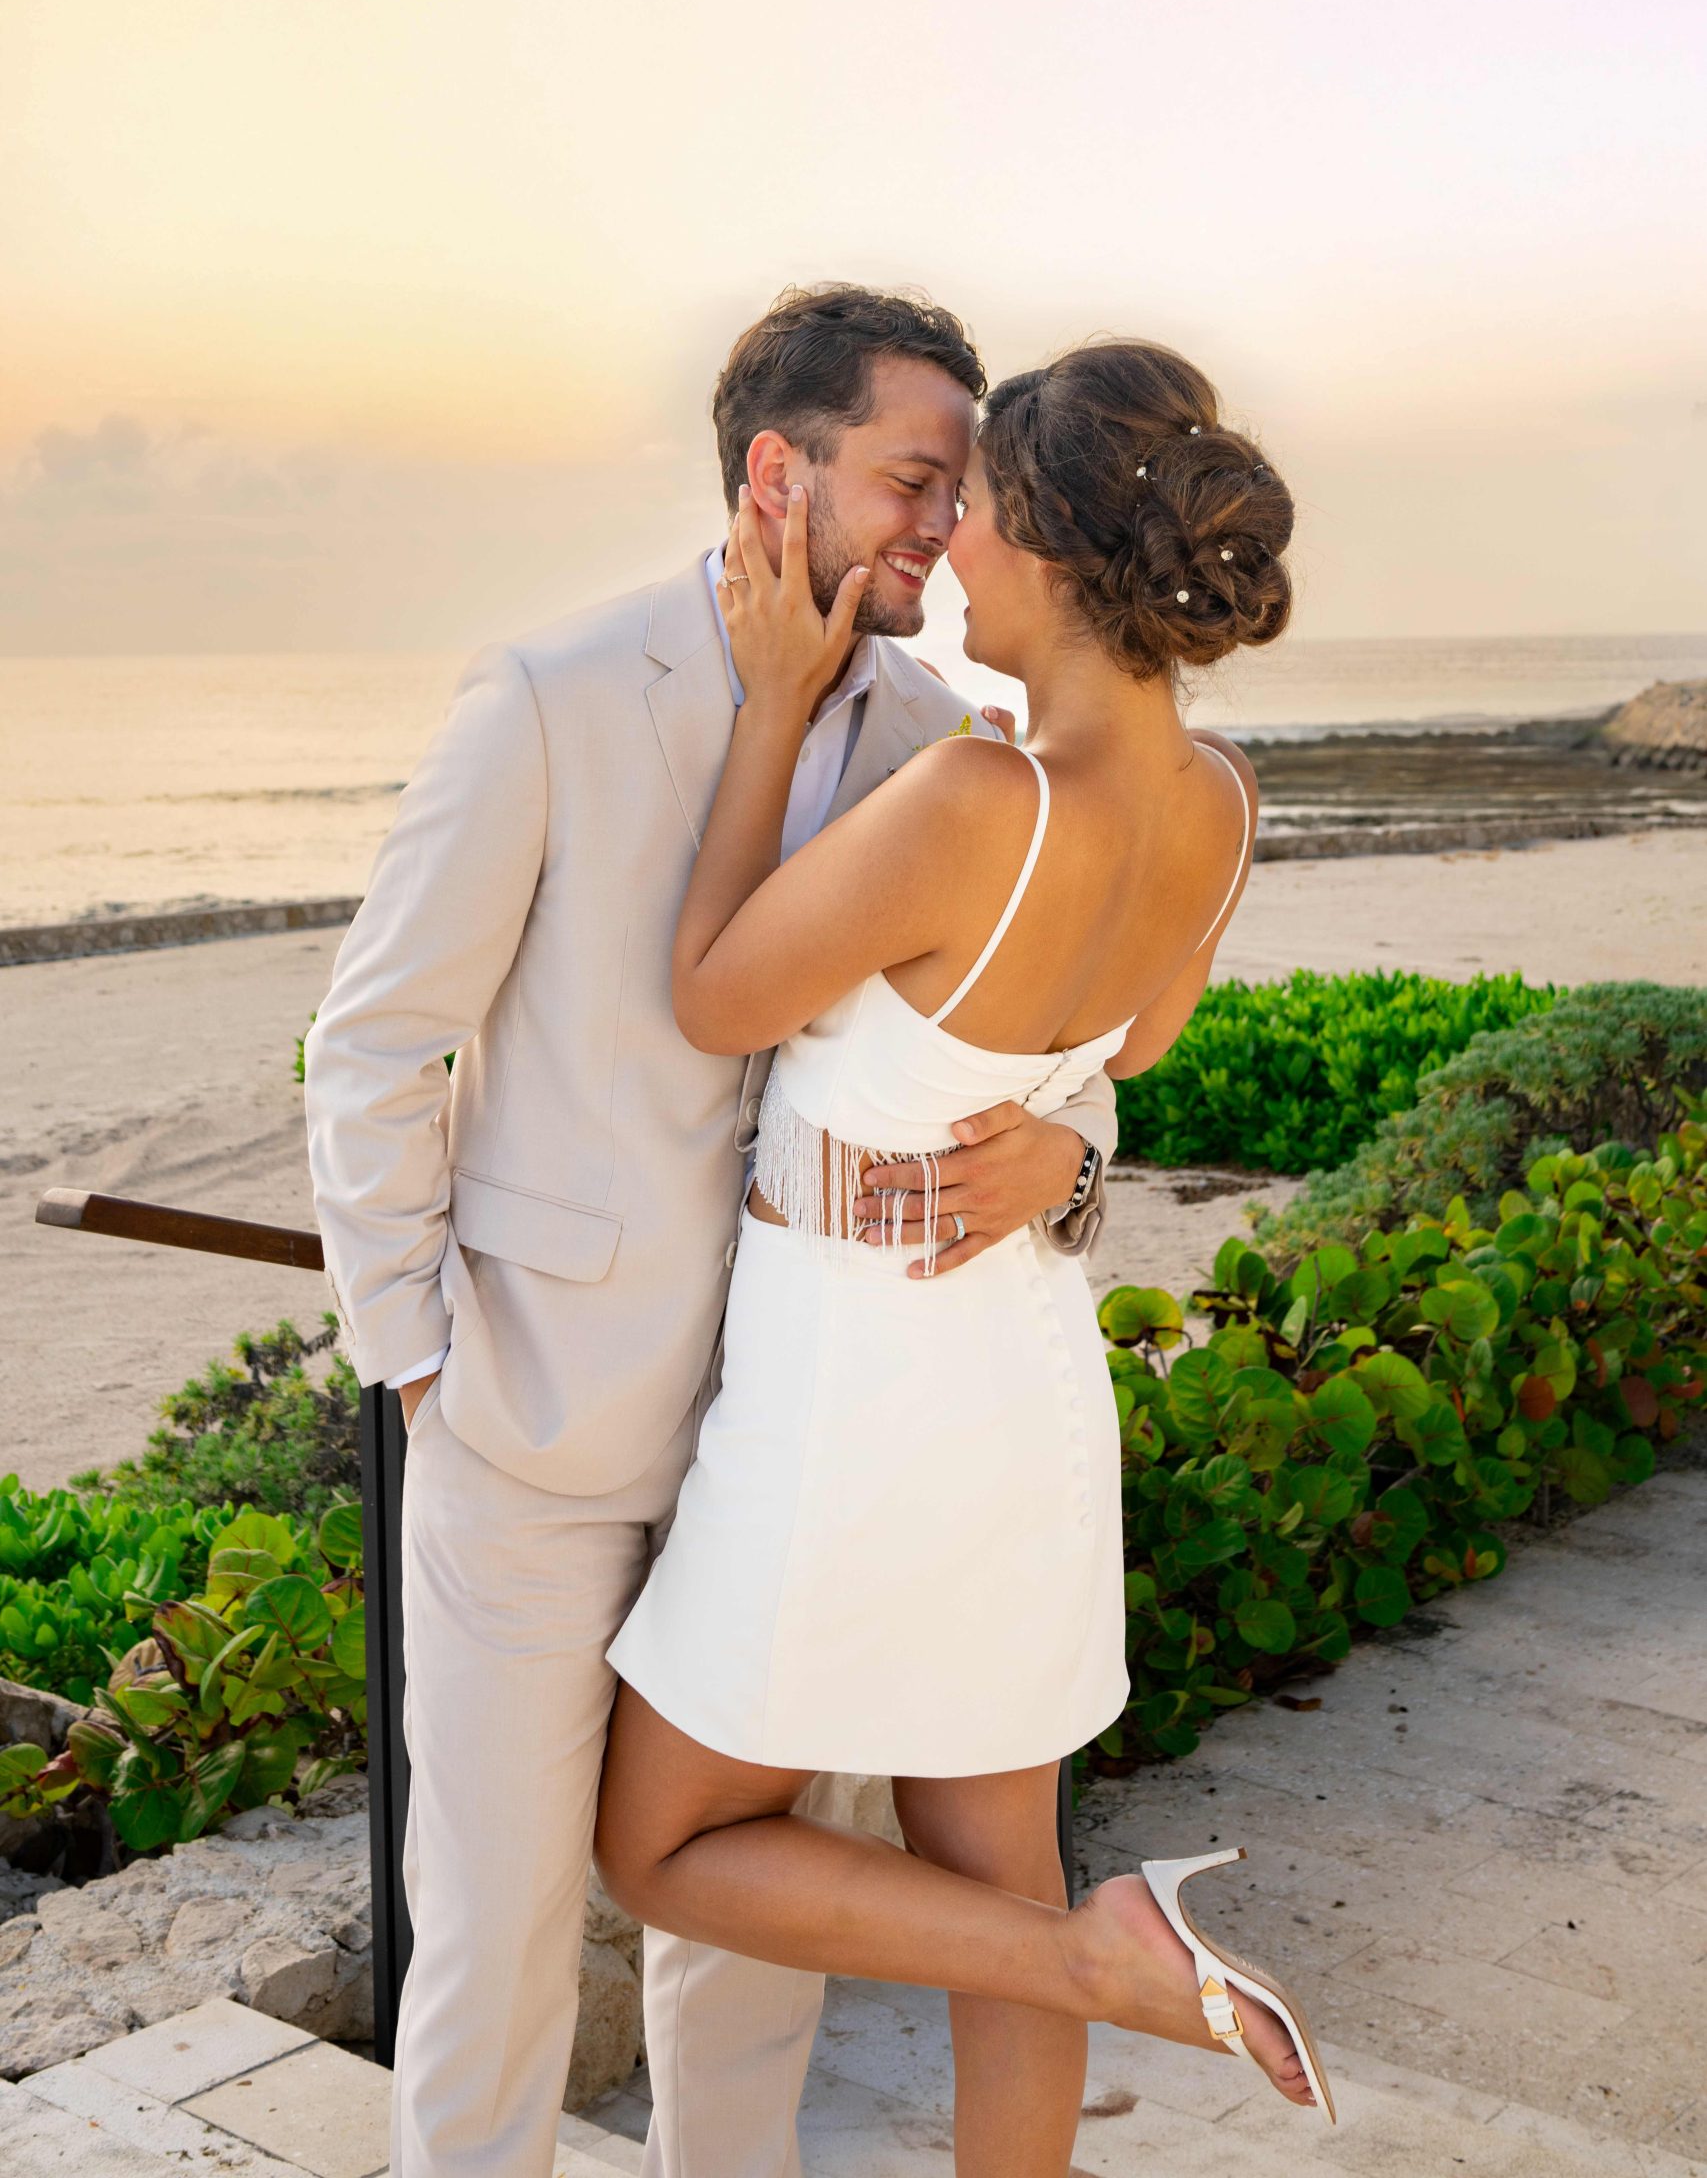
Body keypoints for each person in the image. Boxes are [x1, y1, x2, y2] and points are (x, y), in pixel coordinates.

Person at [302, 284, 1119, 2177]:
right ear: (782, 474)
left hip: (798, 1440)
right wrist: (410, 1352)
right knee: (495, 1941)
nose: (945, 526)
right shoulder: (553, 696)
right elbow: (377, 1039)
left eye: (961, 490)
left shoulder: (943, 741)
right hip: (532, 1432)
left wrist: (1072, 1165)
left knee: (749, 1945)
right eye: (916, 480)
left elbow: (1052, 1039)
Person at [595, 336, 1333, 2174]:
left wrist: (776, 704)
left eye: (982, 514)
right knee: (994, 1852)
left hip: (857, 1388)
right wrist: (1061, 1143)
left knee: (658, 1844)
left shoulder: (976, 806)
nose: (956, 555)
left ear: (1069, 559)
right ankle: (1096, 1951)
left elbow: (710, 998)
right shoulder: (1220, 802)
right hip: (1016, 1369)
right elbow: (1129, 1053)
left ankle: (1113, 1957)